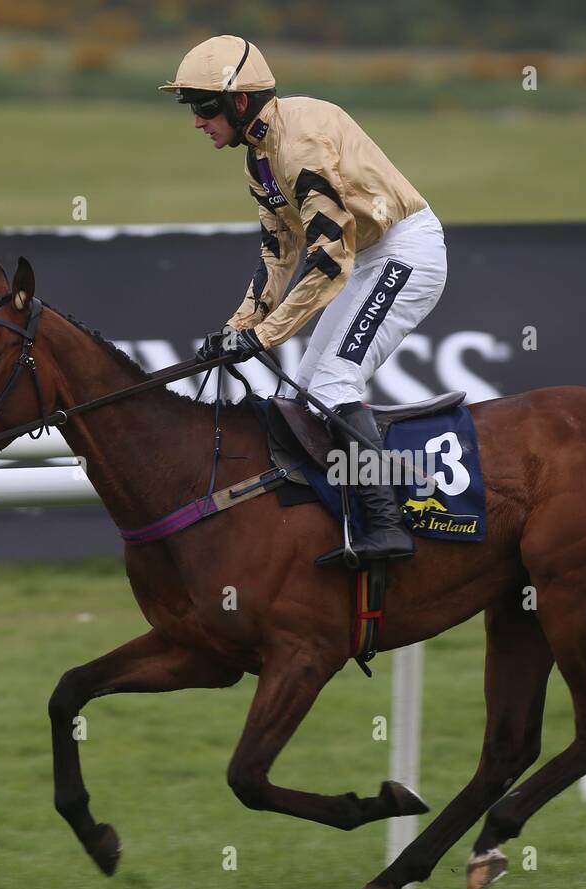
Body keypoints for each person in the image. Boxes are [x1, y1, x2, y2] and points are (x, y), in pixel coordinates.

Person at [161, 35, 447, 562]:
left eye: (204, 107)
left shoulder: (298, 145)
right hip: (366, 256)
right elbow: (279, 253)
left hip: (404, 251)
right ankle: (333, 517)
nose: (197, 122)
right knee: (307, 396)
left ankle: (389, 527)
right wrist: (237, 326)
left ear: (238, 102)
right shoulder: (259, 161)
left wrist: (262, 336)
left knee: (335, 381)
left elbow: (327, 260)